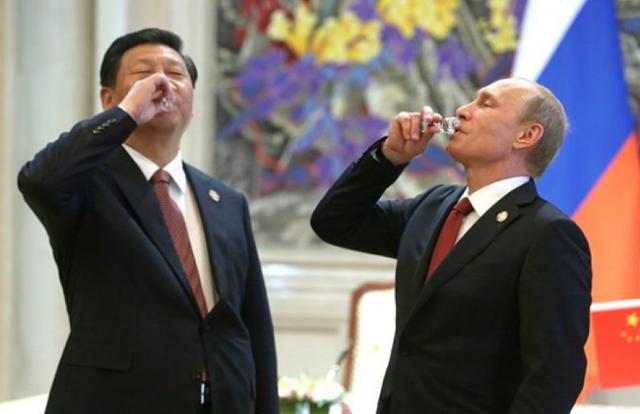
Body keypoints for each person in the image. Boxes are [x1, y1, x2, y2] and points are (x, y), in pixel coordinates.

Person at [18, 28, 278, 414]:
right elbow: (38, 180)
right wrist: (125, 116)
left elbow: (254, 325)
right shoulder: (85, 184)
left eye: (175, 74)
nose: (162, 83)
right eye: (144, 74)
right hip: (115, 402)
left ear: (193, 101)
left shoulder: (226, 202)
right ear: (109, 98)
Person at [311, 78, 592, 414]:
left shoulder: (547, 233)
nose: (462, 110)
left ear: (526, 135)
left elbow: (554, 373)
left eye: (485, 103)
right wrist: (388, 158)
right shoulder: (434, 206)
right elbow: (334, 222)